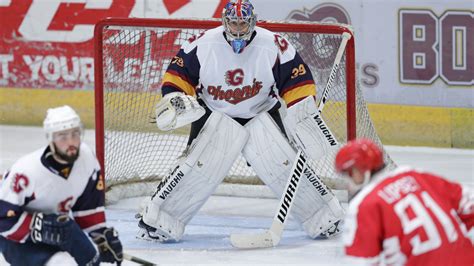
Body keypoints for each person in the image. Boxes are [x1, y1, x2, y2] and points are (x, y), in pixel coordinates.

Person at [138, 0, 344, 243]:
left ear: (252, 21)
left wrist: (303, 113)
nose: (237, 28)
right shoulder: (203, 44)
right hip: (214, 114)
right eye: (233, 22)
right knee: (196, 169)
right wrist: (176, 98)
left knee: (285, 166)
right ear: (225, 21)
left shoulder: (273, 44)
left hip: (262, 113)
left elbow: (296, 81)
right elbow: (178, 76)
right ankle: (159, 220)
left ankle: (324, 217)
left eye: (242, 23)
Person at [0, 105, 123, 265]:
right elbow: (2, 219)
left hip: (63, 231)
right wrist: (39, 227)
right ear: (51, 139)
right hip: (19, 242)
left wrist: (101, 237)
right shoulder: (25, 173)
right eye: (63, 137)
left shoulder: (87, 158)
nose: (71, 142)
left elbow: (88, 208)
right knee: (62, 263)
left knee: (92, 262)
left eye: (75, 134)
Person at [335, 138, 474, 265]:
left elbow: (360, 262)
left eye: (349, 174)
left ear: (361, 172)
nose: (347, 182)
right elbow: (469, 205)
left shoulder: (364, 204)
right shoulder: (413, 174)